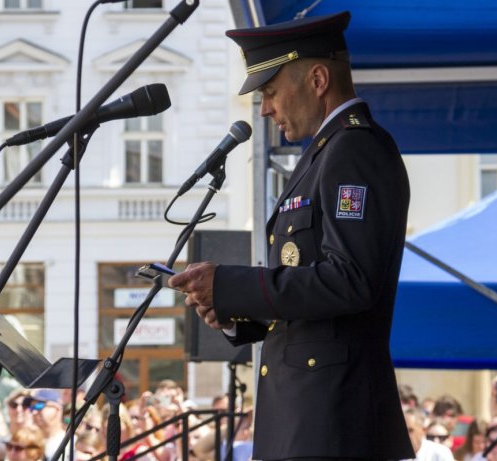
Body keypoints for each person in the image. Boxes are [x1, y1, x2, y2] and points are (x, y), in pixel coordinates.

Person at [169, 10, 413, 460]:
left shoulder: (354, 150)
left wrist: (231, 284)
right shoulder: (326, 153)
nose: (264, 109)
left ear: (317, 79)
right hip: (309, 417)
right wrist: (232, 309)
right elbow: (311, 290)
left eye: (271, 92)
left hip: (332, 421)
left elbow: (350, 279)